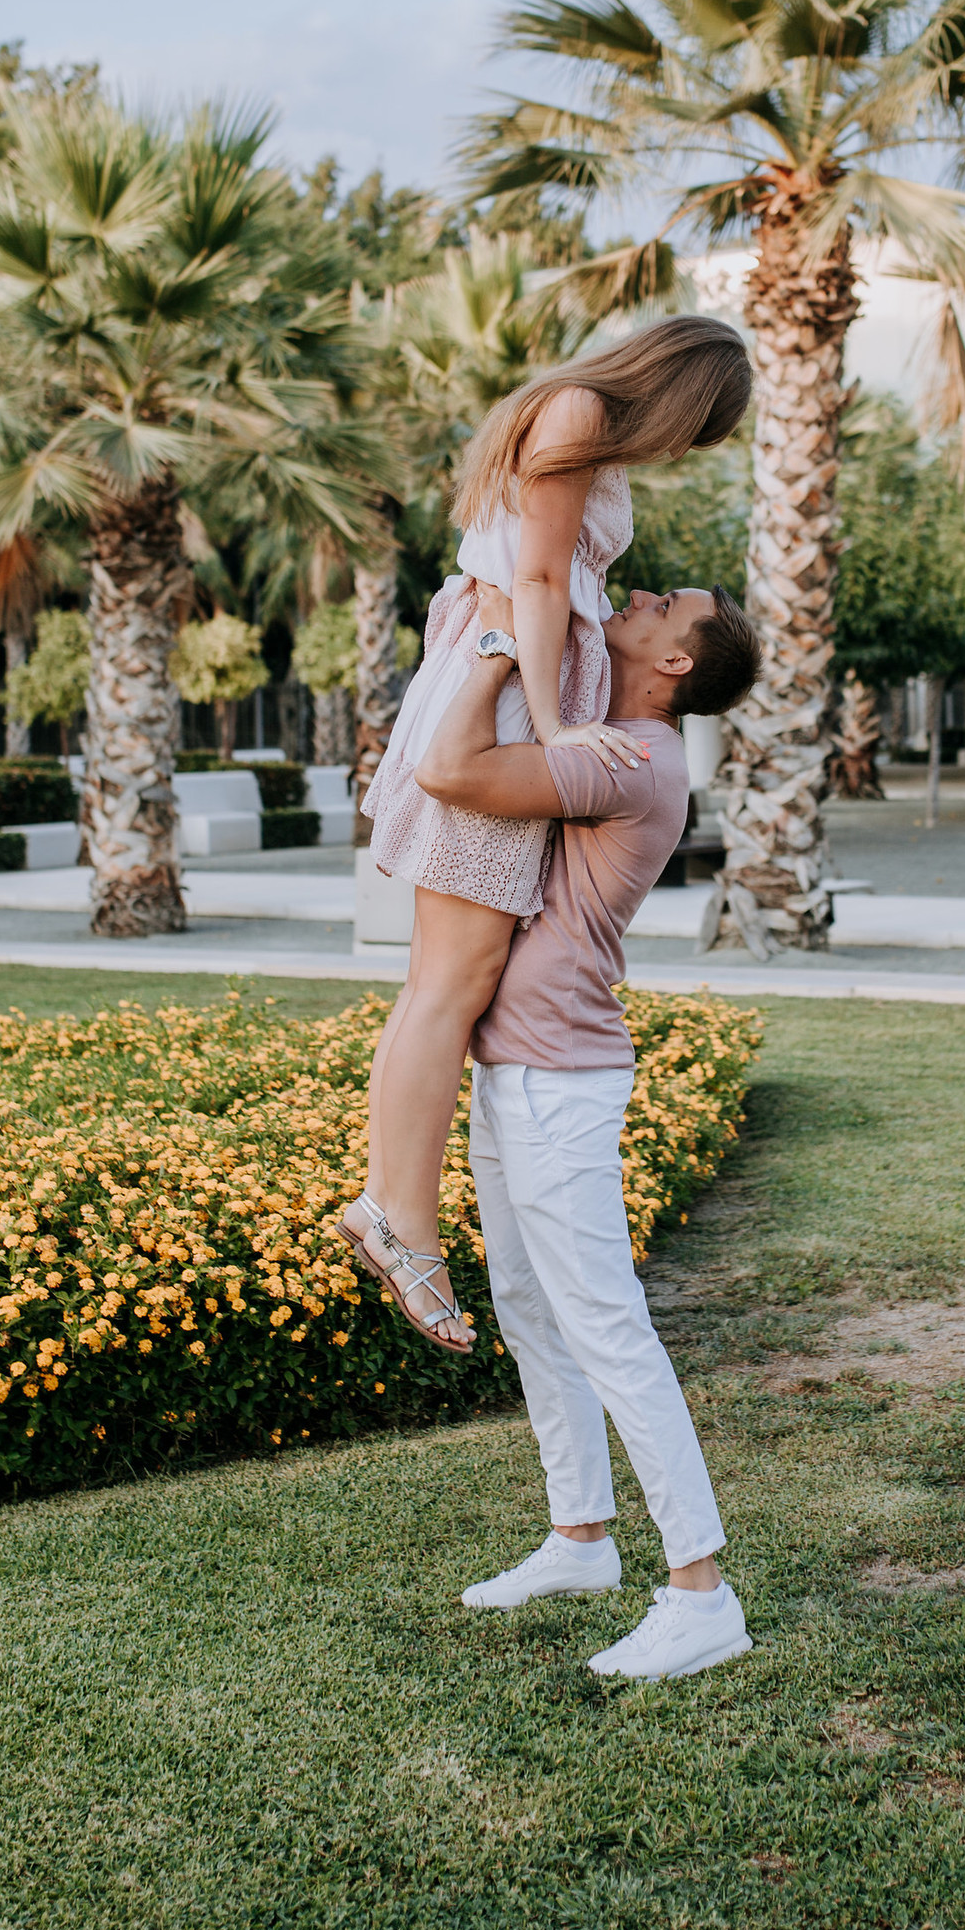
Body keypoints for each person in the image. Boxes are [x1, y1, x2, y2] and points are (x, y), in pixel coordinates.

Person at [343, 316, 751, 1353]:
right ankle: (405, 1228)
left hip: (512, 676)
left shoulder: (583, 422)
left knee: (442, 977)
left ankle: (391, 1211)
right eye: (693, 430)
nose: (676, 449)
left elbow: (544, 583)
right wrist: (557, 713)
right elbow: (534, 583)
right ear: (677, 394)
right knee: (453, 979)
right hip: (516, 692)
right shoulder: (577, 413)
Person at [411, 573, 763, 1682]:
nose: (645, 595)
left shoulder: (630, 762)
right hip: (518, 1067)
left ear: (672, 665)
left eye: (666, 607)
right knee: (528, 1303)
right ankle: (580, 1539)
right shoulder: (610, 737)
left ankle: (701, 1593)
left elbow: (449, 769)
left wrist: (496, 646)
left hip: (560, 1081)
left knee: (607, 1325)